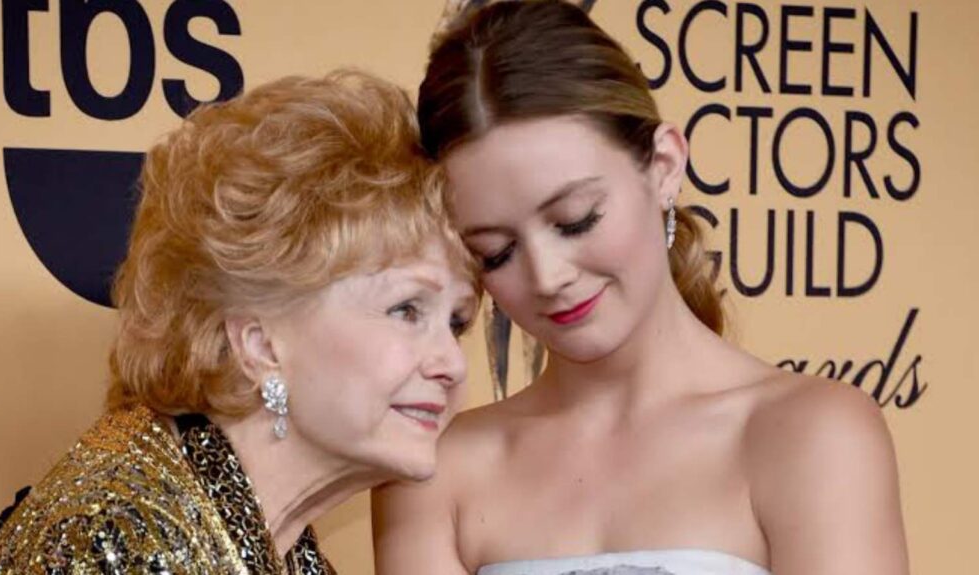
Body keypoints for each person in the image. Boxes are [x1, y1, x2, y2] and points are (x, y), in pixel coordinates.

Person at [372, 2, 909, 574]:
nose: (548, 277)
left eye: (576, 219)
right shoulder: (437, 468)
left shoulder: (810, 434)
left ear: (664, 166)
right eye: (496, 252)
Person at [0, 70, 479, 574]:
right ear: (260, 346)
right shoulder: (115, 537)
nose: (452, 364)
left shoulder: (268, 539)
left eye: (456, 323)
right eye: (407, 310)